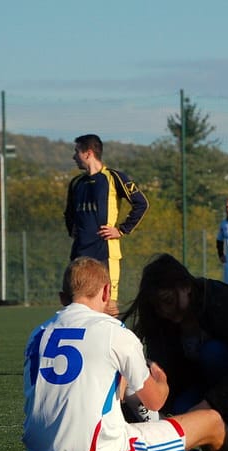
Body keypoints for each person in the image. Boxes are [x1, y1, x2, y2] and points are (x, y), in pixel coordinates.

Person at [22, 256, 228, 451]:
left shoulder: (38, 334)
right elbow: (155, 399)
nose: (162, 310)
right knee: (210, 422)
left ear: (63, 298)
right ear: (106, 292)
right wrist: (159, 381)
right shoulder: (114, 333)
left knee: (213, 361)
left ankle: (221, 440)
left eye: (166, 301)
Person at [121, 253, 228, 434]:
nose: (164, 311)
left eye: (168, 301)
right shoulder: (157, 319)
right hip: (192, 387)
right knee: (180, 414)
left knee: (213, 352)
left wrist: (209, 404)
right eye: (158, 305)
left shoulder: (222, 299)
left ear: (186, 287)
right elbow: (160, 370)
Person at [64, 134, 149, 317]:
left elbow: (141, 203)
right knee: (76, 306)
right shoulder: (76, 183)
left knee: (108, 307)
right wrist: (74, 231)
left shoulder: (114, 177)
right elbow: (69, 213)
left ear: (88, 153)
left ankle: (114, 345)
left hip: (106, 253)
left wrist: (121, 230)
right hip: (79, 253)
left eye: (76, 151)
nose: (73, 157)